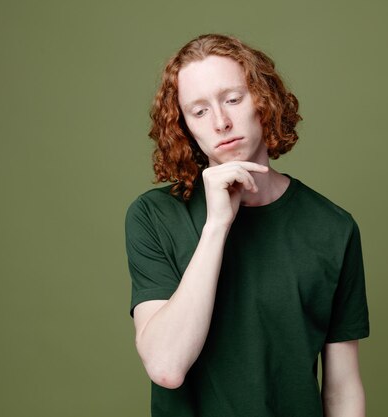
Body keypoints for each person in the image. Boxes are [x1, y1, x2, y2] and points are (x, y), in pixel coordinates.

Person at [125, 33, 370, 417]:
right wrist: (217, 226)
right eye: (199, 111)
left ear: (264, 101)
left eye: (233, 99)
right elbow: (166, 367)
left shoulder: (332, 227)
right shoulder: (154, 215)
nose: (221, 122)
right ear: (185, 126)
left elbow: (342, 389)